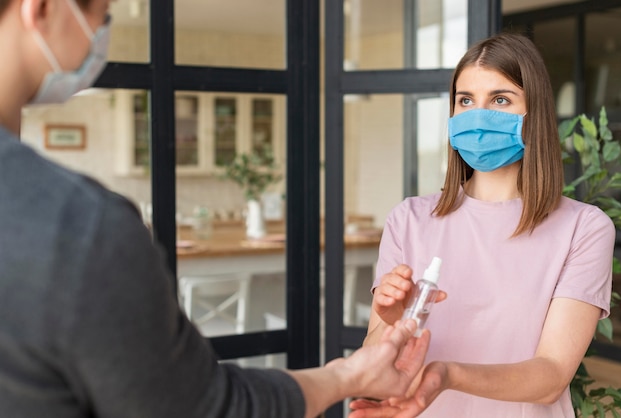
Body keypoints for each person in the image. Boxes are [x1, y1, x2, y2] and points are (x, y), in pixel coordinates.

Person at [0, 0, 436, 416]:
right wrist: (345, 376)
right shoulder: (82, 227)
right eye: (101, 14)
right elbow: (199, 408)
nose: (100, 34)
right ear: (41, 9)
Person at [350, 32, 615, 418]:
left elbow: (552, 376)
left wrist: (447, 374)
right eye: (465, 100)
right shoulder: (408, 220)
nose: (477, 116)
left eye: (500, 99)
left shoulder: (583, 228)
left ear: (534, 113)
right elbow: (372, 368)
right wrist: (391, 325)